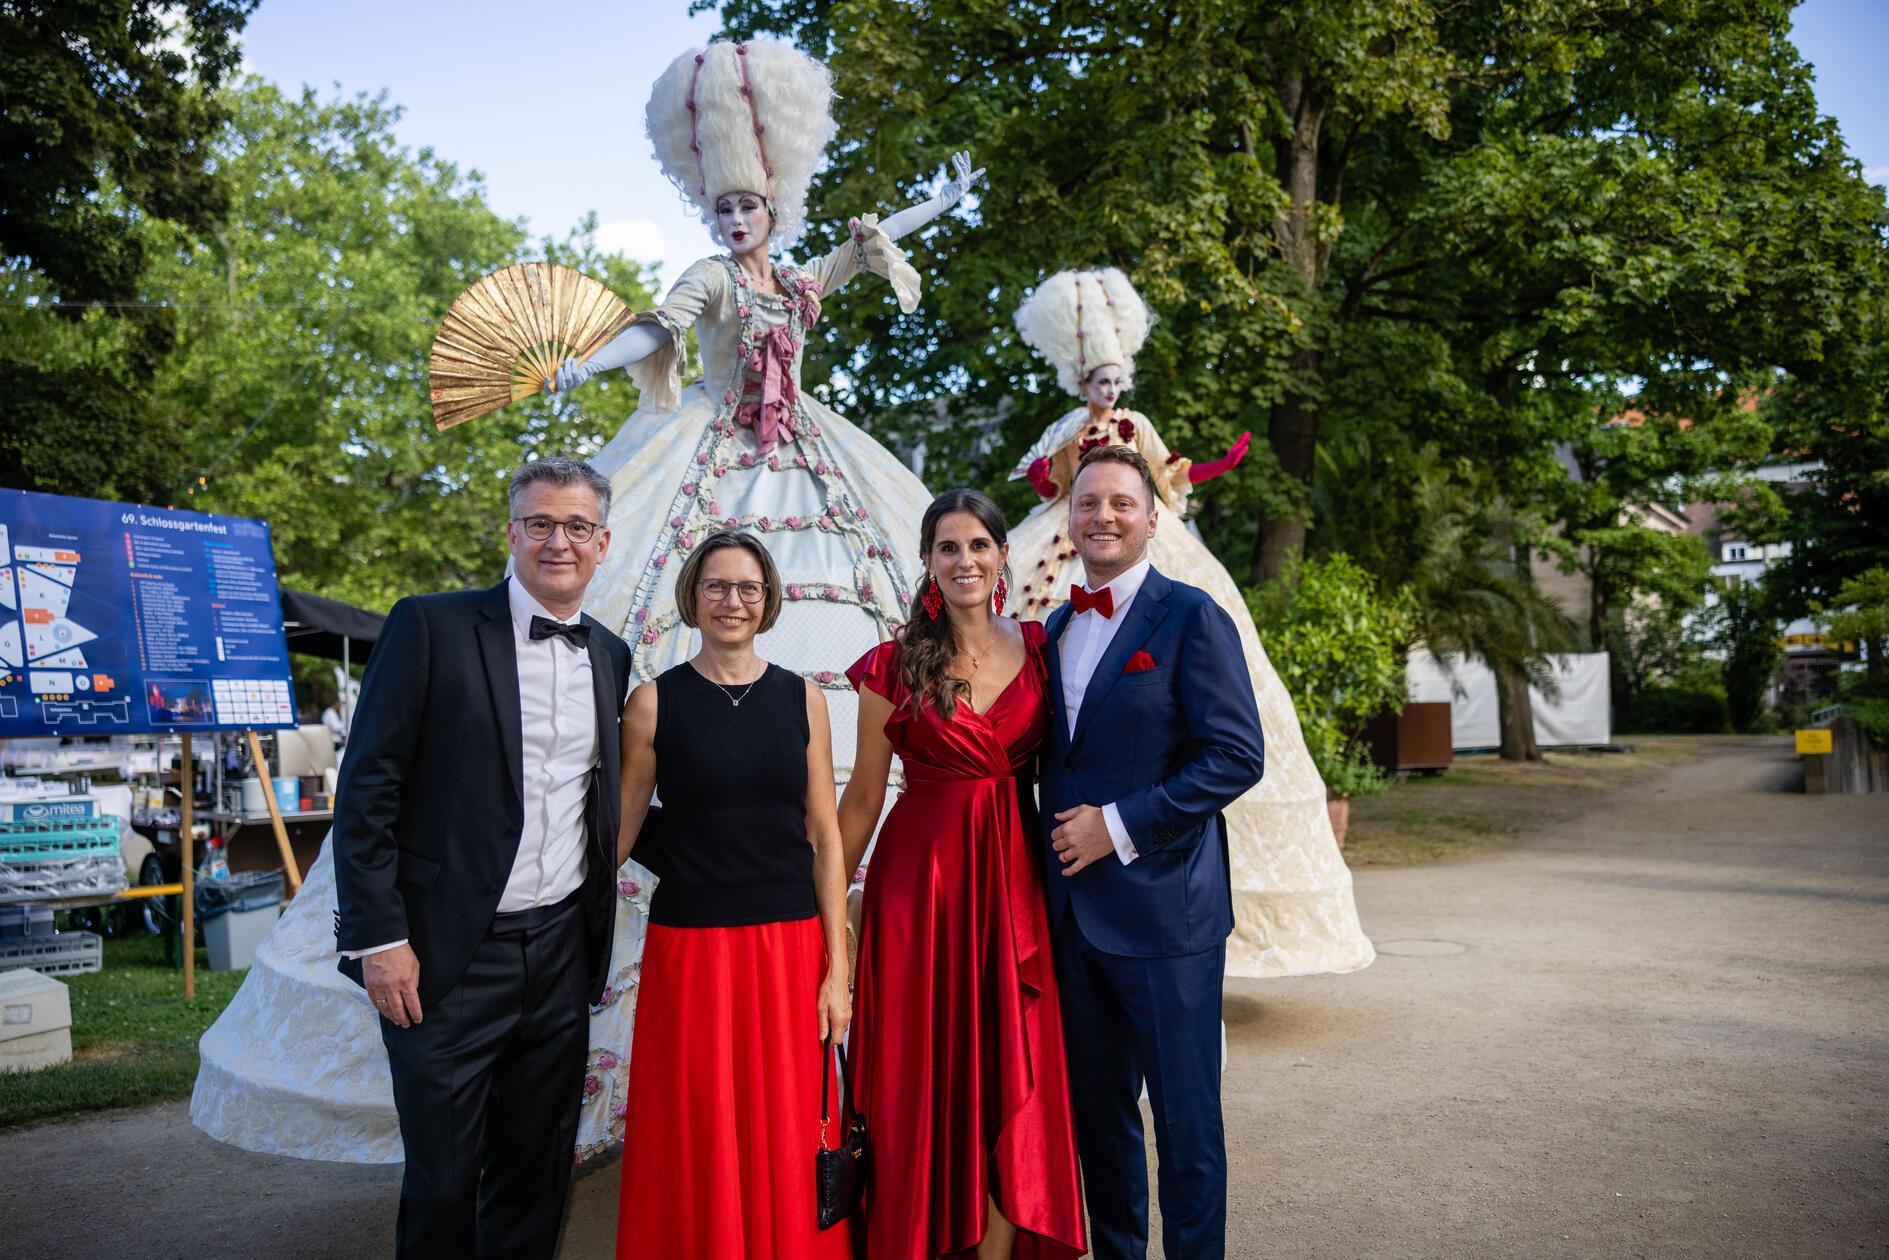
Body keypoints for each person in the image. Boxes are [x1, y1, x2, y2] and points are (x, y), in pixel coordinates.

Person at [545, 37, 972, 779]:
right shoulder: (709, 277)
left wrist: (936, 205)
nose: (735, 219)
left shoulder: (801, 281)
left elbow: (866, 248)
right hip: (708, 439)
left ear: (771, 211)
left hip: (805, 440)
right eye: (724, 210)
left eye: (746, 207)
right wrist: (587, 363)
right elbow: (656, 328)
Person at [1011, 267, 1373, 981]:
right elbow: (1045, 479)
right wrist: (1054, 484)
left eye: (1113, 380)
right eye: (1096, 381)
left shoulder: (1140, 442)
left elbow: (1167, 476)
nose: (1106, 392)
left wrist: (1218, 465)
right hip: (1059, 547)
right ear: (1080, 380)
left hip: (1164, 877)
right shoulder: (1067, 434)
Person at [328, 456, 632, 1258]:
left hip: (562, 951)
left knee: (535, 1173)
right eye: (539, 523)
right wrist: (378, 939)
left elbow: (607, 804)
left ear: (603, 543)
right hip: (439, 957)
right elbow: (366, 793)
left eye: (575, 527)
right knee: (442, 1178)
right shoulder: (429, 626)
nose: (556, 542)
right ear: (511, 533)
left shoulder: (611, 655)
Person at [840, 488, 1086, 1260]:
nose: (964, 560)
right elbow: (864, 797)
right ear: (926, 562)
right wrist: (817, 916)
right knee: (923, 1075)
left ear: (1002, 553)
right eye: (947, 548)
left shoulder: (1044, 646)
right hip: (922, 888)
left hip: (1012, 881)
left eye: (978, 544)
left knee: (1013, 1062)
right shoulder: (891, 661)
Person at [1038, 444, 1265, 1259]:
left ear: (1150, 518)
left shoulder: (1191, 616)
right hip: (1073, 922)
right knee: (1099, 1123)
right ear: (1068, 518)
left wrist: (1119, 826)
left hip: (1169, 918)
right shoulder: (1055, 627)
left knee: (1186, 1124)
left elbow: (1236, 756)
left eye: (1120, 504)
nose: (1102, 515)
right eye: (1088, 502)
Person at [612, 530, 853, 1258]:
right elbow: (616, 834)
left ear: (768, 599)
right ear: (692, 596)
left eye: (747, 587)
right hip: (692, 953)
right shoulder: (652, 703)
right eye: (716, 586)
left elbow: (825, 834)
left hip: (788, 947)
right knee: (702, 1121)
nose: (732, 601)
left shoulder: (801, 697)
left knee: (785, 1121)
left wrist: (837, 971)